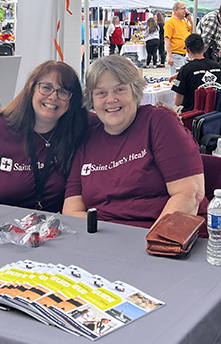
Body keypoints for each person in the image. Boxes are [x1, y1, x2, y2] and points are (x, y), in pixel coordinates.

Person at [63, 55, 206, 230]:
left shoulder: (158, 122)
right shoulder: (87, 138)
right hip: (104, 239)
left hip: (164, 236)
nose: (110, 99)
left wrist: (152, 242)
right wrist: (108, 240)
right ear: (92, 99)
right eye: (101, 93)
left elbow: (189, 193)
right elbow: (71, 209)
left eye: (120, 90)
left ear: (135, 91)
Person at [0, 61, 88, 212]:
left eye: (63, 92)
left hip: (51, 229)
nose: (53, 96)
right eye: (46, 88)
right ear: (31, 88)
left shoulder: (77, 129)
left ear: (71, 101)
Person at [172, 33, 221, 112]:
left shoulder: (185, 70)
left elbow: (177, 102)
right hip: (215, 116)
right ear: (204, 48)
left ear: (187, 50)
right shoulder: (218, 67)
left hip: (193, 117)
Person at [165, 2, 192, 74]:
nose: (185, 11)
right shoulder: (170, 22)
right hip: (176, 54)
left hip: (184, 55)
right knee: (178, 77)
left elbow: (193, 33)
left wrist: (190, 20)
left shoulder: (184, 22)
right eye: (183, 8)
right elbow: (167, 39)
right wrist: (170, 56)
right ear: (176, 10)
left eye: (185, 8)